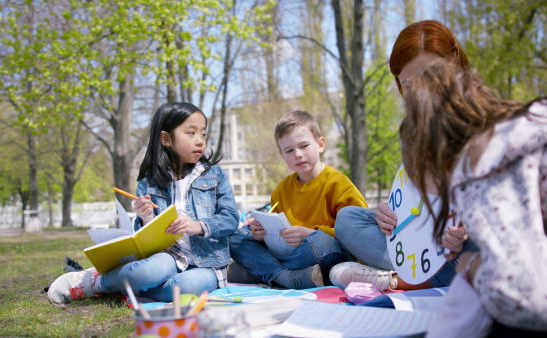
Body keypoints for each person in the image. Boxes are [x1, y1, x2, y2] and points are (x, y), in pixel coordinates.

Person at [401, 60, 547, 334]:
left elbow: (525, 296)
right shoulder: (524, 131)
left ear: (435, 156)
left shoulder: (481, 172)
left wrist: (474, 269)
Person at [330, 20, 474, 292]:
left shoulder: (479, 120)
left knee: (480, 246)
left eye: (430, 78)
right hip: (419, 242)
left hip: (457, 246)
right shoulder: (413, 128)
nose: (420, 95)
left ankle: (399, 281)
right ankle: (412, 275)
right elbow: (411, 194)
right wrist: (388, 213)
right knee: (348, 218)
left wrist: (466, 227)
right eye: (408, 85)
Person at [47, 102, 240, 303]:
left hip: (207, 265)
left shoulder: (216, 175)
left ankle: (125, 285)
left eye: (203, 134)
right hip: (169, 256)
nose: (200, 141)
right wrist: (146, 217)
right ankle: (90, 281)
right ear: (166, 138)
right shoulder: (149, 182)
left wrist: (198, 226)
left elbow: (231, 219)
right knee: (147, 272)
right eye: (191, 133)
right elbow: (148, 240)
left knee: (184, 288)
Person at [228, 110, 368, 289]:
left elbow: (360, 234)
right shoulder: (281, 189)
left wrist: (310, 233)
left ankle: (264, 271)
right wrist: (260, 234)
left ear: (320, 144)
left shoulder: (338, 184)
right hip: (288, 252)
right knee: (234, 237)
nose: (298, 154)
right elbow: (275, 233)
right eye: (289, 150)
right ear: (282, 155)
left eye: (304, 146)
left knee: (321, 243)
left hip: (323, 252)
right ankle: (287, 277)